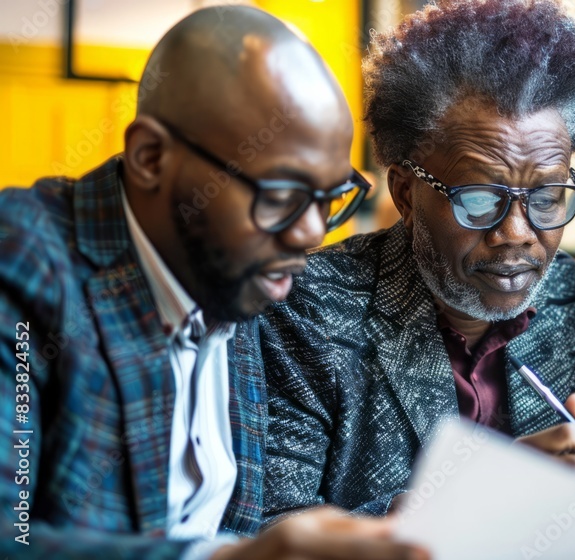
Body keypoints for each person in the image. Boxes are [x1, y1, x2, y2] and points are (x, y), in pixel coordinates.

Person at [0, 7, 427, 560]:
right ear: (150, 157)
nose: (310, 233)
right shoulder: (24, 260)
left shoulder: (242, 274)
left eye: (332, 197)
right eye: (279, 196)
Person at [258, 0, 575, 521]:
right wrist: (470, 501)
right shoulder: (306, 309)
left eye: (547, 196)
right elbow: (270, 530)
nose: (517, 235)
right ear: (407, 193)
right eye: (479, 198)